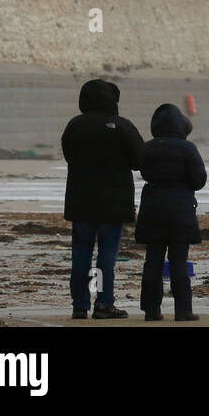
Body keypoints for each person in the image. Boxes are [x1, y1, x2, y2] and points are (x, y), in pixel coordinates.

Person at [61, 79, 144, 320]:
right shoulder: (122, 126)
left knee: (81, 252)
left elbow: (69, 155)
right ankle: (104, 303)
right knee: (107, 253)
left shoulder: (74, 126)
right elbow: (139, 161)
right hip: (114, 202)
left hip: (81, 200)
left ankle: (79, 305)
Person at [136, 103, 207, 322]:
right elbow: (199, 180)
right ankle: (183, 310)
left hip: (153, 208)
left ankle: (151, 310)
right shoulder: (188, 149)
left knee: (153, 261)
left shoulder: (147, 148)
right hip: (180, 210)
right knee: (178, 262)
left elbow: (143, 170)